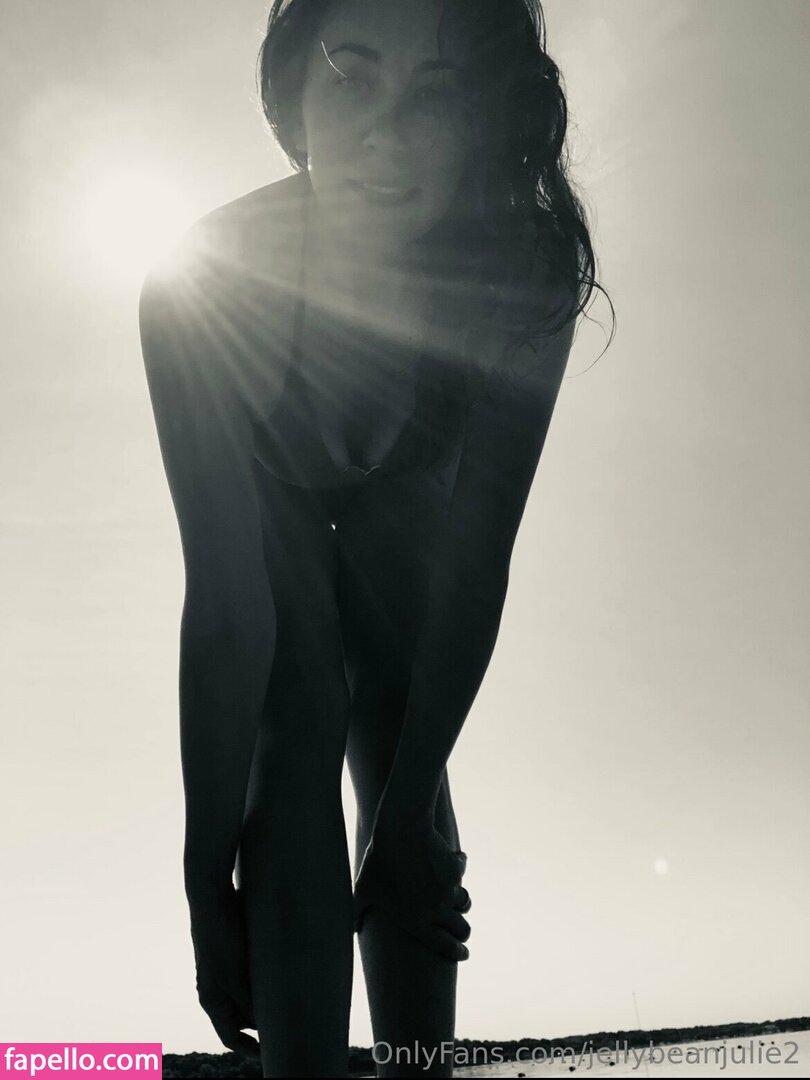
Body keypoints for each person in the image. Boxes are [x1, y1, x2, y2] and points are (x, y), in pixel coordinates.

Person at [138, 0, 608, 1075]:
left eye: (435, 95)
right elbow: (228, 610)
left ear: (482, 119)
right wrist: (205, 882)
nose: (389, 133)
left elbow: (476, 562)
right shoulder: (199, 283)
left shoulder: (519, 278)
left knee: (397, 726)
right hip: (276, 485)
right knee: (296, 705)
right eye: (352, 76)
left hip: (406, 483)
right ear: (290, 98)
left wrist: (404, 821)